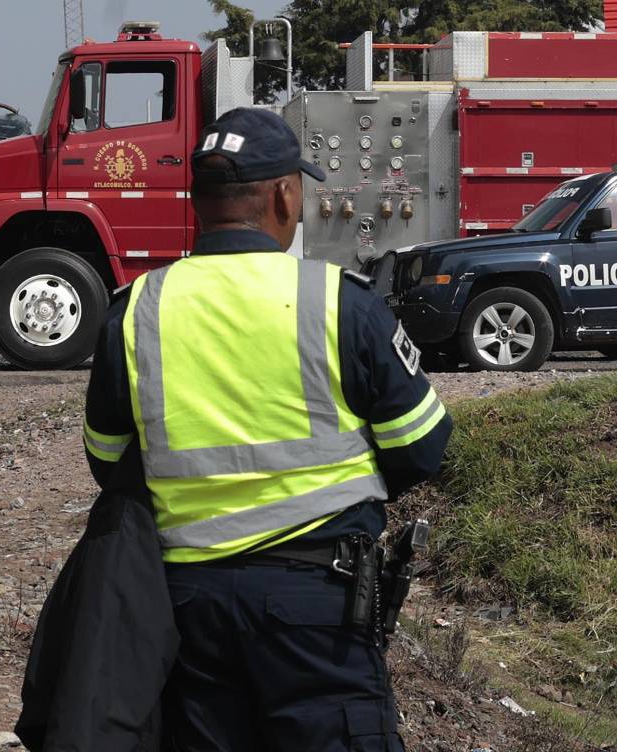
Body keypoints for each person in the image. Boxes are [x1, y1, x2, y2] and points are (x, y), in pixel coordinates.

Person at [82, 107, 452, 752]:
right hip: (318, 601)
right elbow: (420, 448)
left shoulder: (138, 309)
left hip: (186, 606)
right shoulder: (339, 300)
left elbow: (109, 460)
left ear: (201, 202)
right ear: (284, 194)